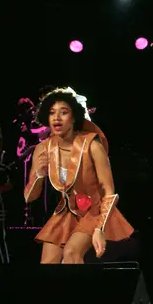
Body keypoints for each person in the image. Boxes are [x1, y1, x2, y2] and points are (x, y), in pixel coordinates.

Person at [23, 88, 133, 263]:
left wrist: (100, 229)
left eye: (63, 112)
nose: (57, 118)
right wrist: (38, 175)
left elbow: (109, 191)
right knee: (47, 262)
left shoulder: (91, 144)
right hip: (65, 211)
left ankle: (77, 290)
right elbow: (29, 197)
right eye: (52, 113)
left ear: (74, 117)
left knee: (71, 253)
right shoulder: (43, 148)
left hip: (95, 210)